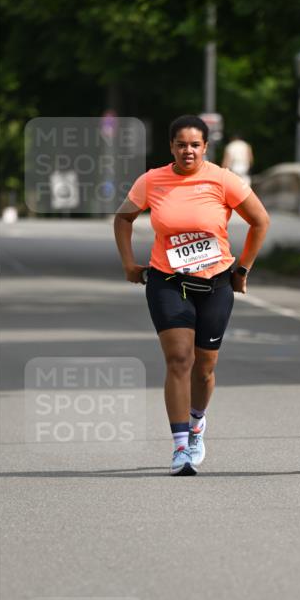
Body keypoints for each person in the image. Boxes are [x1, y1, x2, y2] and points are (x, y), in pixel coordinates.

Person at [114, 115, 269, 475]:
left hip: (215, 282)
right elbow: (123, 218)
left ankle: (197, 423)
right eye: (181, 144)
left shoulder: (222, 179)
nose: (188, 151)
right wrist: (128, 263)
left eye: (195, 145)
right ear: (171, 147)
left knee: (204, 368)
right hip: (168, 280)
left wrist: (243, 269)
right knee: (178, 360)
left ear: (205, 147)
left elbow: (260, 220)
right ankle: (180, 447)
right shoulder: (152, 180)